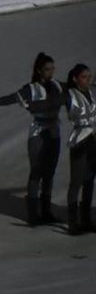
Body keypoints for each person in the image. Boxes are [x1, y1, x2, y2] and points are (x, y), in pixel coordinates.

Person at [0, 52, 66, 225]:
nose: (51, 72)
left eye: (53, 68)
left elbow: (77, 87)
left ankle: (46, 212)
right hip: (38, 132)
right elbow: (10, 98)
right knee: (36, 172)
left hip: (54, 132)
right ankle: (33, 215)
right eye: (48, 69)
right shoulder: (31, 89)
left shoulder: (57, 85)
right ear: (39, 71)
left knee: (50, 173)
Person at [64, 63, 95, 235]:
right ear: (75, 79)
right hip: (80, 140)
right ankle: (72, 223)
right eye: (84, 77)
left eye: (89, 77)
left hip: (93, 140)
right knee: (76, 181)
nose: (88, 80)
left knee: (89, 180)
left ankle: (86, 219)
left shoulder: (92, 92)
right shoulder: (70, 94)